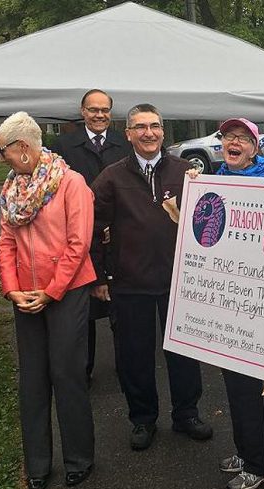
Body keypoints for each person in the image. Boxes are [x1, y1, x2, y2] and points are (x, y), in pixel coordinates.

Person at [91, 103, 212, 451]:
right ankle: (143, 419)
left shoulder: (186, 170)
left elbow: (207, 219)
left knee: (184, 352)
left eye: (155, 126)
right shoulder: (112, 177)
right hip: (131, 282)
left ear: (163, 131)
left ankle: (186, 413)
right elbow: (93, 229)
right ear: (128, 134)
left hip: (179, 280)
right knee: (135, 355)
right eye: (141, 127)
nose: (149, 133)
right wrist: (99, 276)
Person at [0, 111, 95, 489]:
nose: (1, 157)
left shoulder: (71, 183)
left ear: (22, 148)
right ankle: (37, 463)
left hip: (66, 292)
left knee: (67, 375)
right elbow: (5, 242)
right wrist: (11, 288)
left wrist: (51, 290)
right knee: (32, 381)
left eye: (3, 151)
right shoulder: (10, 189)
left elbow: (78, 243)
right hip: (26, 296)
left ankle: (79, 459)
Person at [188, 118, 264, 489]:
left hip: (259, 303)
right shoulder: (215, 180)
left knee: (257, 387)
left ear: (255, 148)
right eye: (228, 137)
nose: (234, 142)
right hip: (228, 300)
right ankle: (246, 451)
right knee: (234, 383)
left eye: (243, 138)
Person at [52, 89, 131, 384]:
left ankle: (127, 367)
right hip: (78, 237)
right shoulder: (64, 145)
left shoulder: (123, 144)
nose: (99, 115)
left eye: (104, 110)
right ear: (83, 111)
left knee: (120, 308)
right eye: (93, 109)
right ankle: (82, 370)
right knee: (82, 311)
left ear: (111, 112)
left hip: (118, 236)